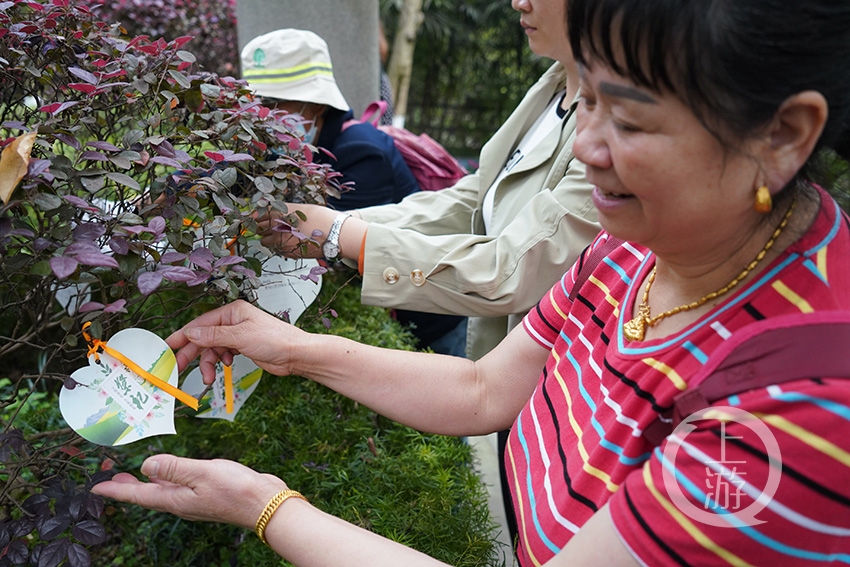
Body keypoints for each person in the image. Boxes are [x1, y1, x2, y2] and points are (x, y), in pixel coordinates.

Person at [94, 1, 850, 566]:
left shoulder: (794, 407)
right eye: (585, 101)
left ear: (782, 135)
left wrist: (263, 505)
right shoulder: (636, 251)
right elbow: (486, 389)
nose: (584, 148)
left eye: (631, 121)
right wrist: (290, 348)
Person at [259, 0, 600, 363]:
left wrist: (339, 235)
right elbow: (475, 197)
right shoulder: (550, 90)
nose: (519, 2)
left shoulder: (601, 133)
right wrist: (339, 228)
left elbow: (516, 271)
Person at [242, 28, 465, 354]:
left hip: (429, 318)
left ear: (315, 105)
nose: (265, 116)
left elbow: (332, 251)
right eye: (259, 104)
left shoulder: (363, 153)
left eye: (276, 104)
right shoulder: (285, 153)